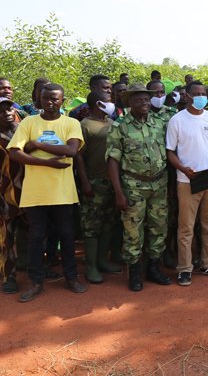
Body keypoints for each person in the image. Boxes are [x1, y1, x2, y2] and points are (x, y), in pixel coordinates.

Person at [9, 83, 87, 302]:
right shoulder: (29, 122)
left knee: (67, 236)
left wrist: (35, 144)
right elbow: (15, 152)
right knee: (36, 238)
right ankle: (36, 282)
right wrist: (45, 163)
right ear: (39, 100)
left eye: (55, 99)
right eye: (46, 99)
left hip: (63, 192)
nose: (50, 102)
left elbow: (71, 150)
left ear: (62, 100)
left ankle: (71, 278)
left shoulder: (71, 123)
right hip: (35, 193)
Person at [166, 80, 208, 286]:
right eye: (196, 93)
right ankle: (185, 268)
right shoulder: (177, 120)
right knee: (186, 227)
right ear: (186, 96)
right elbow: (170, 152)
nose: (200, 97)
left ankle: (207, 264)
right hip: (188, 180)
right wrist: (183, 169)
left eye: (203, 93)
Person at [106, 84, 171, 291]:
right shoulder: (120, 126)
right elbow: (113, 160)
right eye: (138, 100)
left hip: (160, 184)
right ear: (129, 103)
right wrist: (118, 193)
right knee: (133, 230)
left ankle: (153, 268)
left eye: (146, 100)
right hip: (133, 185)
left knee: (158, 227)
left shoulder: (160, 123)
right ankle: (134, 272)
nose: (144, 103)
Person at [75, 91, 122, 285]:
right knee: (91, 226)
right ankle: (91, 266)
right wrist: (84, 181)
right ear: (98, 103)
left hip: (112, 181)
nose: (111, 103)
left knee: (108, 223)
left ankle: (102, 260)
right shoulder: (84, 125)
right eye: (108, 101)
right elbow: (78, 156)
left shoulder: (112, 123)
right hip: (94, 181)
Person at [0, 98, 21, 294]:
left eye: (9, 109)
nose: (7, 112)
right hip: (4, 197)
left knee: (34, 234)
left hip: (27, 194)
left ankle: (37, 270)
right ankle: (9, 276)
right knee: (6, 238)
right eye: (1, 111)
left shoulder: (21, 132)